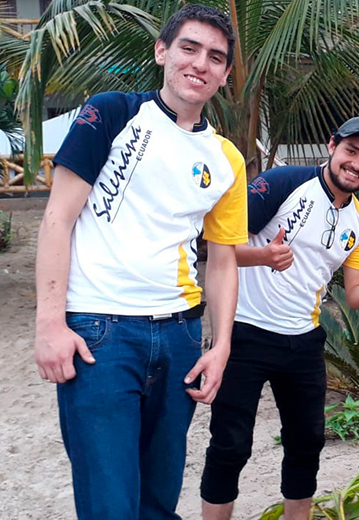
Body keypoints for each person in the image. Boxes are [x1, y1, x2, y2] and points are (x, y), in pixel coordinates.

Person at [33, 5, 247, 519]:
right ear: (162, 52)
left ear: (225, 74)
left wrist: (220, 348)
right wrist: (49, 324)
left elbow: (222, 262)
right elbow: (58, 219)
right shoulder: (111, 113)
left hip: (178, 338)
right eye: (189, 49)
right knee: (111, 504)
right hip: (99, 336)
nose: (200, 64)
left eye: (215, 57)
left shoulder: (227, 160)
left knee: (158, 501)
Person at [200, 117, 359, 520]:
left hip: (304, 341)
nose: (357, 165)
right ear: (332, 146)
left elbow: (355, 294)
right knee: (230, 444)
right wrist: (262, 255)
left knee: (307, 442)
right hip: (244, 332)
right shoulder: (282, 182)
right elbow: (216, 246)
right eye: (351, 151)